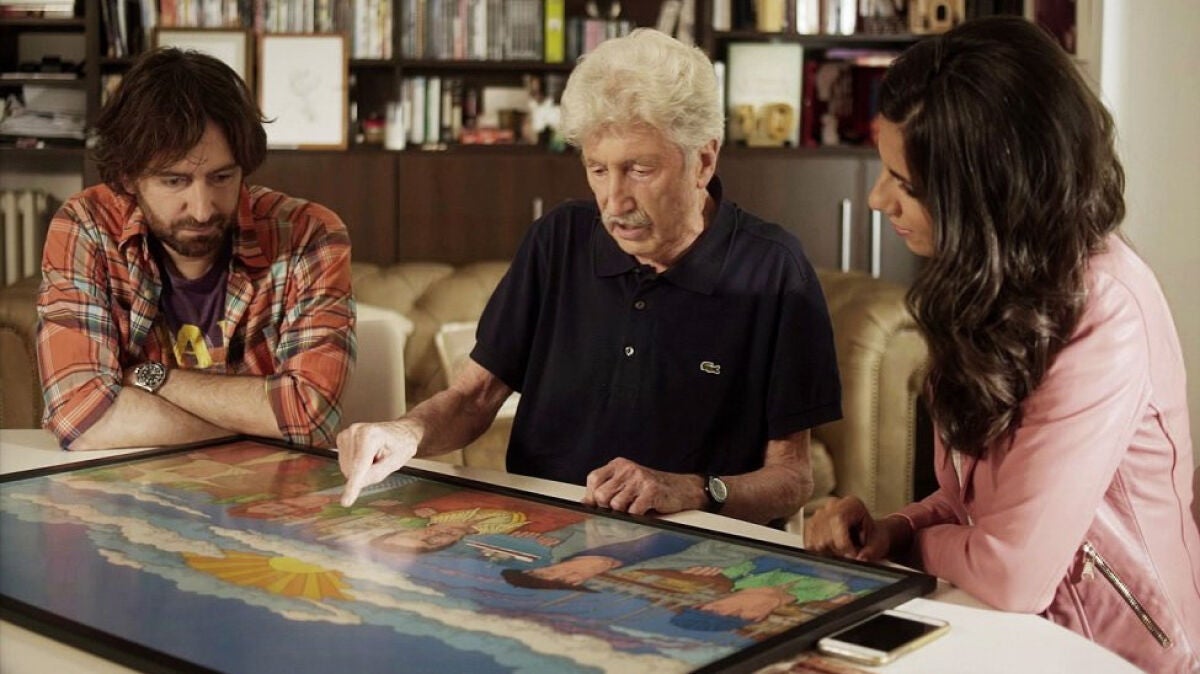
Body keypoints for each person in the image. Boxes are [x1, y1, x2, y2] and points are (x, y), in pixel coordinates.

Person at [803, 17, 1199, 672]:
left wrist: (915, 546)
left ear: (988, 191)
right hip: (1015, 636)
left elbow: (1013, 570)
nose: (876, 199)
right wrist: (893, 529)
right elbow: (978, 507)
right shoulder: (989, 285)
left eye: (905, 183)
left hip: (1116, 659)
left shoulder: (1106, 312)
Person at [337, 29, 841, 525]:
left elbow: (792, 478)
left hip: (696, 547)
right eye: (598, 170)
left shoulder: (774, 269)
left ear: (703, 161)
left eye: (639, 170)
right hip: (541, 533)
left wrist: (691, 490)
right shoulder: (557, 239)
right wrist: (404, 434)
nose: (614, 203)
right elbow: (473, 398)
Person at [36, 48, 356, 450]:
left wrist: (151, 377)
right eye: (174, 181)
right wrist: (261, 421)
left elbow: (310, 415)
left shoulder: (309, 234)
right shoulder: (88, 225)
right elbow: (81, 417)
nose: (203, 210)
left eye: (222, 177)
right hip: (135, 481)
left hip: (265, 482)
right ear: (128, 177)